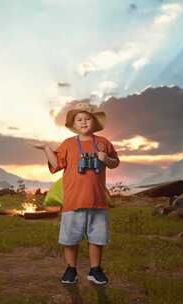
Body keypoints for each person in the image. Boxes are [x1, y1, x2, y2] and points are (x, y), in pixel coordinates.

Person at [32, 101, 120, 285]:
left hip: (97, 200)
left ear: (94, 122)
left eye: (88, 119)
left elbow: (115, 163)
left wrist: (106, 159)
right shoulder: (68, 144)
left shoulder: (104, 143)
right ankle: (71, 269)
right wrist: (47, 149)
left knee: (97, 237)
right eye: (79, 119)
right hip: (73, 200)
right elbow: (56, 165)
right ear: (74, 124)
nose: (84, 122)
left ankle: (95, 270)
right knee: (70, 237)